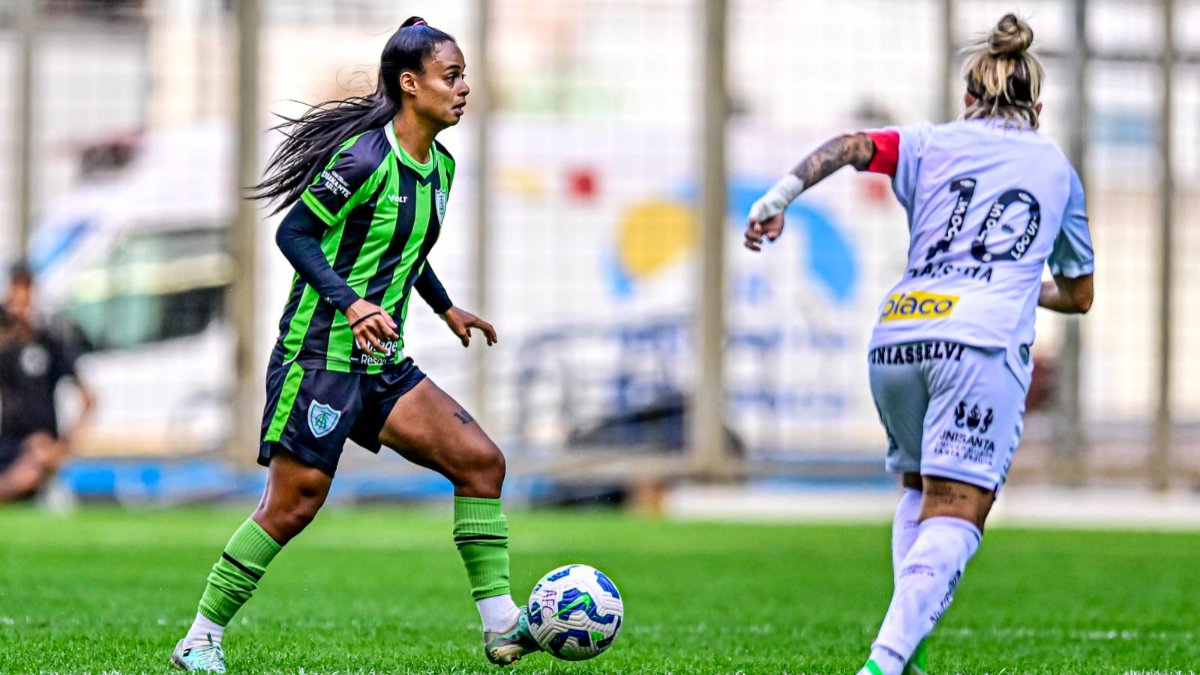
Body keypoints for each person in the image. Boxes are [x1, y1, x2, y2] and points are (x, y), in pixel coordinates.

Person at [171, 17, 542, 672]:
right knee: (293, 504)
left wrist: (445, 305)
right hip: (321, 357)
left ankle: (501, 624)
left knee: (481, 462)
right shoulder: (363, 158)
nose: (463, 89)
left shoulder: (441, 168)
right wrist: (351, 302)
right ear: (410, 83)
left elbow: (404, 249)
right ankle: (200, 635)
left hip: (382, 364)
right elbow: (295, 235)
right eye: (450, 76)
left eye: (464, 77)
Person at [745, 14, 1094, 675]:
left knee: (918, 487)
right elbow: (1079, 294)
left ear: (968, 97)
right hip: (978, 343)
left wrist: (779, 195)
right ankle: (883, 664)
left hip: (900, 334)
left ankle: (912, 659)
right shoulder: (1056, 168)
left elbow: (851, 145)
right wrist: (1021, 285)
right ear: (1039, 108)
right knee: (959, 505)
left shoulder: (929, 141)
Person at [0, 262, 96, 502]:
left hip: (38, 448)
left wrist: (62, 449)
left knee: (29, 470)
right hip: (6, 443)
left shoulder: (49, 344)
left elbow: (89, 399)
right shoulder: (4, 346)